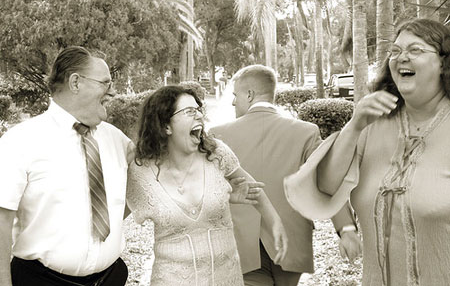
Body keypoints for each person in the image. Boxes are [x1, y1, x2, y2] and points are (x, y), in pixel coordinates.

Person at [284, 18, 450, 286]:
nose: (401, 58)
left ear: (443, 62)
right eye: (395, 51)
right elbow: (326, 186)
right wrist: (354, 125)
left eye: (416, 50)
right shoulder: (372, 124)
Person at [209, 64, 361, 286]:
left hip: (241, 244)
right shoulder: (306, 132)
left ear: (249, 94)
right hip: (292, 242)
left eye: (235, 95)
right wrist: (346, 229)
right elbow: (327, 182)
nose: (233, 102)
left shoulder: (219, 135)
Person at [126, 86, 288, 285]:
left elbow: (252, 189)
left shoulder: (217, 154)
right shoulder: (140, 173)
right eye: (189, 112)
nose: (199, 116)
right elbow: (112, 218)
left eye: (198, 110)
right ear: (165, 126)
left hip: (227, 278)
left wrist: (275, 223)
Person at [0, 46, 133, 286]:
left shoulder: (118, 140)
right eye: (105, 83)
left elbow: (144, 183)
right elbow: (1, 217)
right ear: (75, 82)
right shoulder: (19, 141)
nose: (112, 92)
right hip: (41, 281)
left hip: (110, 278)